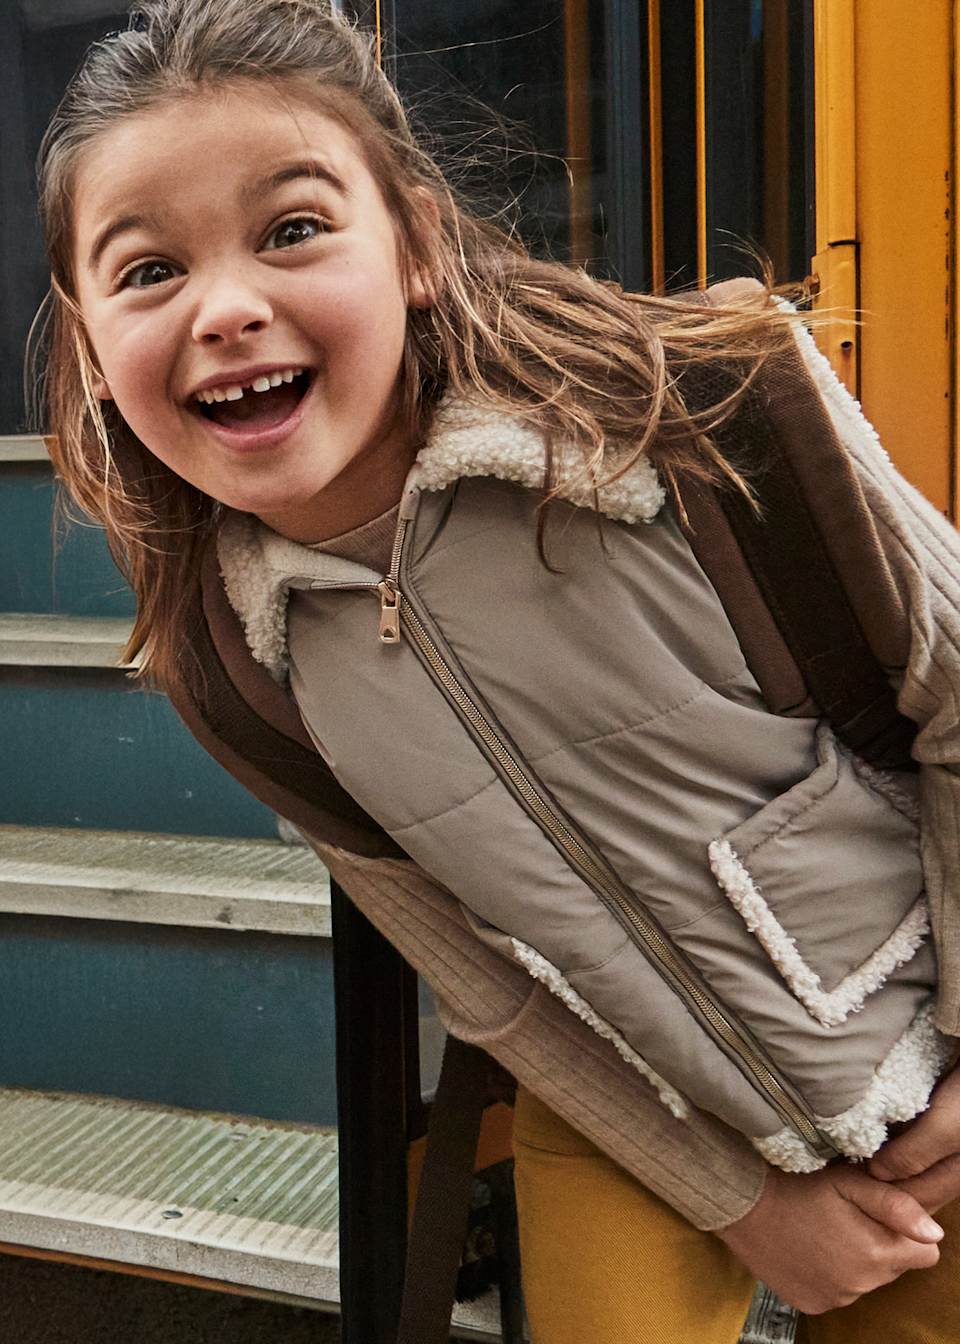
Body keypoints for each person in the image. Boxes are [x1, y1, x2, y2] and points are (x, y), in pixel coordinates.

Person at [33, 2, 960, 1339]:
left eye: (293, 230)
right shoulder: (233, 656)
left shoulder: (702, 412)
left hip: (925, 1054)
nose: (228, 308)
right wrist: (747, 1208)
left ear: (413, 240)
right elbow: (492, 990)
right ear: (87, 342)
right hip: (642, 1115)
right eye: (146, 271)